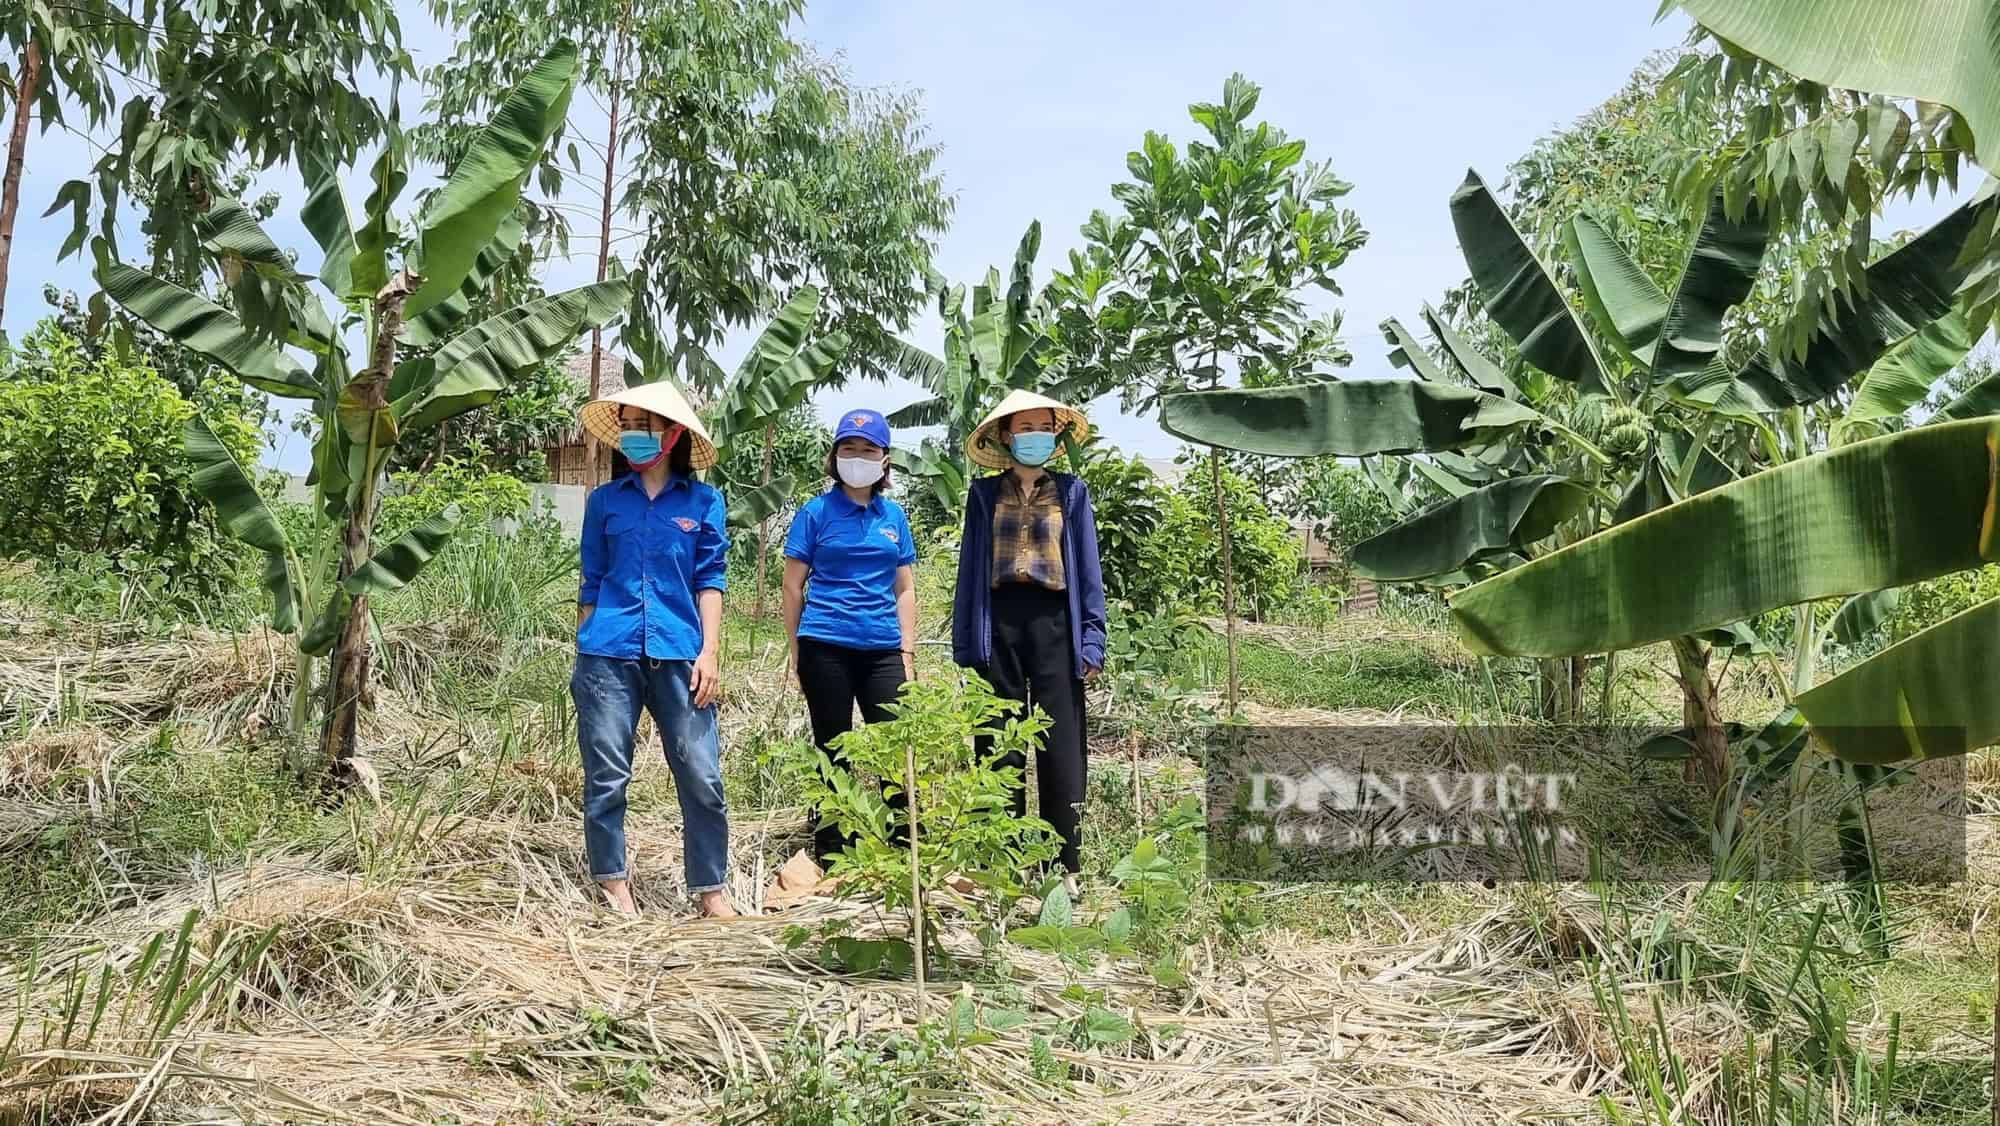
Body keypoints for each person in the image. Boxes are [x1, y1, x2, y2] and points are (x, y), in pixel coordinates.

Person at [572, 382, 736, 918]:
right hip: (608, 655)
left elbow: (710, 580)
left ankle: (711, 889)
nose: (634, 435)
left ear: (673, 434)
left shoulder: (704, 502)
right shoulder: (604, 502)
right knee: (607, 773)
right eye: (627, 424)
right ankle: (613, 882)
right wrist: (583, 649)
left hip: (681, 653)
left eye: (645, 424)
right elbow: (591, 580)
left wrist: (709, 652)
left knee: (701, 774)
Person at [952, 390, 1107, 895]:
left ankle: (1064, 866)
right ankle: (1003, 860)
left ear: (1056, 436)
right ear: (1005, 435)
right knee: (998, 745)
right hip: (999, 624)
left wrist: (1092, 640)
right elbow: (969, 572)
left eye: (1044, 427)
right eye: (1025, 427)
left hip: (1055, 624)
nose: (1035, 436)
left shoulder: (1072, 493)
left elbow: (1088, 570)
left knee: (1061, 747)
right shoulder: (982, 495)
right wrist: (967, 643)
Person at [782, 409, 919, 864]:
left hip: (882, 648)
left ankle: (903, 847)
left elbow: (905, 588)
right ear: (835, 455)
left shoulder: (893, 516)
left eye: (868, 449)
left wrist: (908, 651)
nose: (857, 457)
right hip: (826, 644)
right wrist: (795, 649)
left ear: (884, 460)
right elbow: (792, 584)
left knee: (892, 748)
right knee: (832, 744)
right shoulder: (815, 512)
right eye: (849, 448)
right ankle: (832, 851)